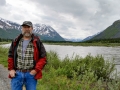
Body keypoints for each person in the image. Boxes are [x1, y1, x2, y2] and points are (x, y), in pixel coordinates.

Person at [7, 21, 47, 90]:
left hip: (31, 74)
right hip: (17, 73)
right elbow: (10, 56)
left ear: (32, 28)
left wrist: (36, 70)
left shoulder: (37, 41)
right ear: (22, 28)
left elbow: (43, 57)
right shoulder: (16, 41)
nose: (26, 29)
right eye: (24, 27)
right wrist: (11, 69)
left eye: (28, 27)